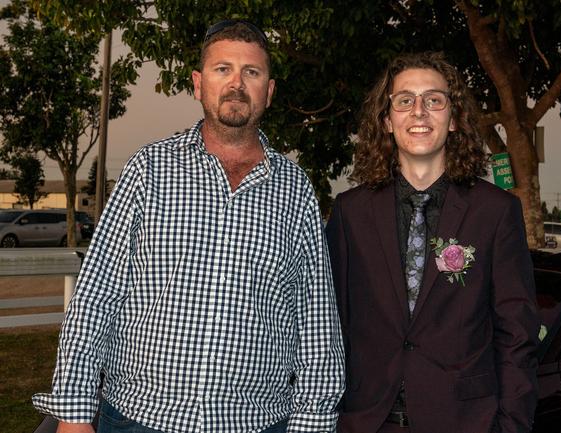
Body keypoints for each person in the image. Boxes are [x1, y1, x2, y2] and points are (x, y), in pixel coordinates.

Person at [33, 20, 345, 433]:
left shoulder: (295, 189)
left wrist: (312, 423)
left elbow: (316, 321)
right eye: (222, 69)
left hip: (255, 423)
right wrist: (74, 414)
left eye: (251, 72)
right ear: (198, 84)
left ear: (268, 91)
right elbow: (96, 296)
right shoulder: (150, 169)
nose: (236, 83)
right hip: (137, 419)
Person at [326, 52, 540, 433]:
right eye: (404, 100)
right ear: (387, 120)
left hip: (466, 422)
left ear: (454, 118)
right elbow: (330, 327)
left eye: (434, 100)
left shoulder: (496, 212)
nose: (419, 111)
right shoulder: (349, 214)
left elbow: (517, 334)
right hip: (367, 421)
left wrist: (511, 426)